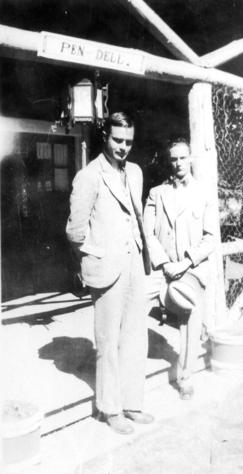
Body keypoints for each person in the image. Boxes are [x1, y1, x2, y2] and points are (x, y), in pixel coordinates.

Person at [66, 112, 153, 434]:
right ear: (106, 137)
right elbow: (75, 231)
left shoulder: (136, 171)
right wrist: (96, 257)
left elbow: (137, 217)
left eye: (128, 141)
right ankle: (110, 408)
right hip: (107, 268)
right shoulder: (89, 176)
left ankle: (132, 403)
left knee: (134, 337)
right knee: (108, 342)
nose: (123, 147)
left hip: (134, 265)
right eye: (118, 140)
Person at [144, 138, 215, 399]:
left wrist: (185, 263)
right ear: (169, 161)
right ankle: (129, 374)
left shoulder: (203, 193)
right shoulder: (156, 193)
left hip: (190, 270)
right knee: (132, 308)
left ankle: (185, 378)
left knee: (191, 322)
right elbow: (148, 233)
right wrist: (164, 263)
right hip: (161, 269)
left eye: (182, 158)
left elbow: (210, 238)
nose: (178, 163)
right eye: (173, 159)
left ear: (191, 159)